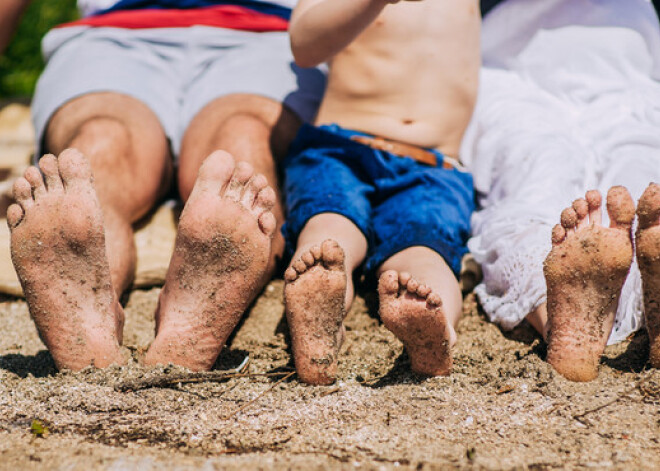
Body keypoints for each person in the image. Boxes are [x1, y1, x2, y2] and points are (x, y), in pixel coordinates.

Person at [2, 0, 325, 372]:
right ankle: (98, 308)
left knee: (107, 148)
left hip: (274, 35)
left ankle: (104, 303)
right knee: (234, 151)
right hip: (116, 30)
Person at [282, 0, 479, 384]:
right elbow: (304, 46)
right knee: (330, 227)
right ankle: (322, 319)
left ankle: (436, 330)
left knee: (423, 250)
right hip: (339, 145)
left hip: (431, 166)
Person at [463, 0, 660, 381]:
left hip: (621, 75)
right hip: (519, 76)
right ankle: (569, 316)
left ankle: (560, 316)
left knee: (540, 186)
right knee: (634, 173)